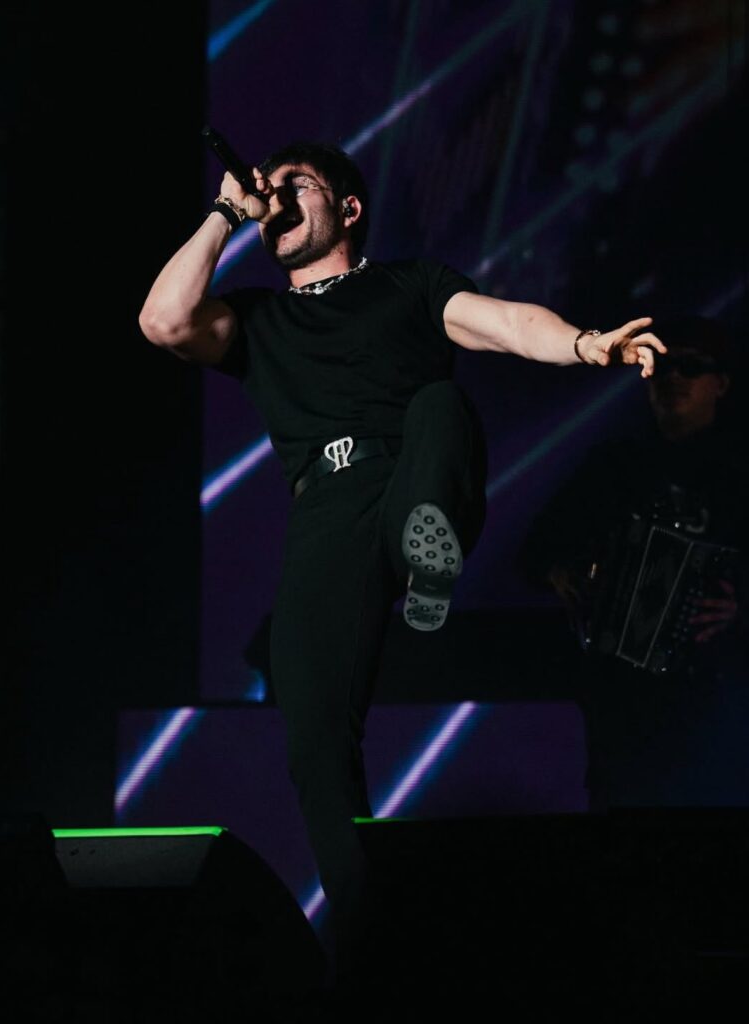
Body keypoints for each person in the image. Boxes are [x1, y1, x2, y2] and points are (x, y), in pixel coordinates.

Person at [138, 140, 664, 1014]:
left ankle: (429, 554)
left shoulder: (410, 285)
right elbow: (162, 321)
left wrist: (585, 344)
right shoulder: (259, 320)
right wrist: (227, 212)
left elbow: (504, 322)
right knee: (312, 740)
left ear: (349, 208)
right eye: (270, 189)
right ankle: (370, 946)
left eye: (297, 185)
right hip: (327, 514)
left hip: (413, 472)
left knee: (438, 402)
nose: (277, 197)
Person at [519, 314, 748, 813]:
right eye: (662, 366)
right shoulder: (615, 464)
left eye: (691, 367)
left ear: (721, 384)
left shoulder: (739, 470)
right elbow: (534, 551)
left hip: (719, 698)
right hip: (624, 704)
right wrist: (562, 573)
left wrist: (740, 607)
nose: (674, 378)